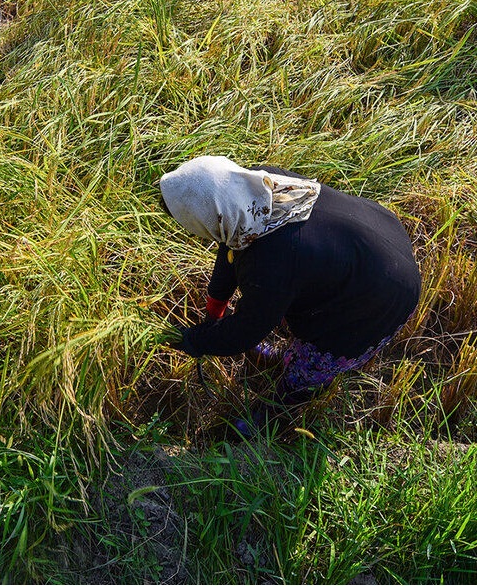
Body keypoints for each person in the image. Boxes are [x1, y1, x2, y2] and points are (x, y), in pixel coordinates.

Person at [159, 156, 421, 435]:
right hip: (371, 237)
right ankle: (283, 360)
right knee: (296, 296)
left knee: (313, 363)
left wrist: (195, 341)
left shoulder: (271, 263)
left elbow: (246, 331)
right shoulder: (256, 187)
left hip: (383, 293)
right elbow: (230, 246)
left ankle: (272, 414)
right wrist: (216, 305)